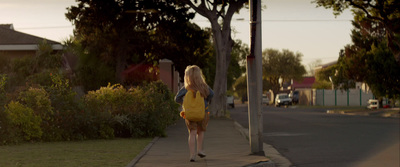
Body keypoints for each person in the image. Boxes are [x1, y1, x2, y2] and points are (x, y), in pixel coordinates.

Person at [175, 65, 214, 162]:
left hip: (190, 114)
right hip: (203, 113)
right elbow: (211, 94)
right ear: (199, 75)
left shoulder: (186, 88)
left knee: (192, 133)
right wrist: (206, 101)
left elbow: (177, 99)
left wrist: (185, 104)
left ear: (187, 76)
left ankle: (192, 155)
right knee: (200, 132)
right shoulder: (204, 87)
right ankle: (200, 150)